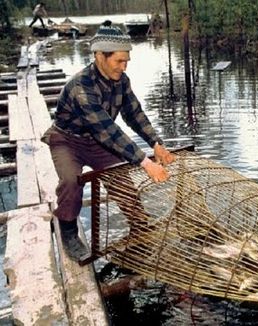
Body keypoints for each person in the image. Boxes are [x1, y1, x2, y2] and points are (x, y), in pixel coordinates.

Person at [41, 20, 175, 262]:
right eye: (118, 61)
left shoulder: (122, 81)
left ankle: (140, 227)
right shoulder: (81, 87)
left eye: (126, 62)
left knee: (121, 179)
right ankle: (69, 232)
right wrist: (146, 162)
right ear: (100, 56)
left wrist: (156, 143)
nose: (123, 67)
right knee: (72, 181)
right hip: (67, 141)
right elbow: (107, 130)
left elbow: (134, 113)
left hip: (97, 141)